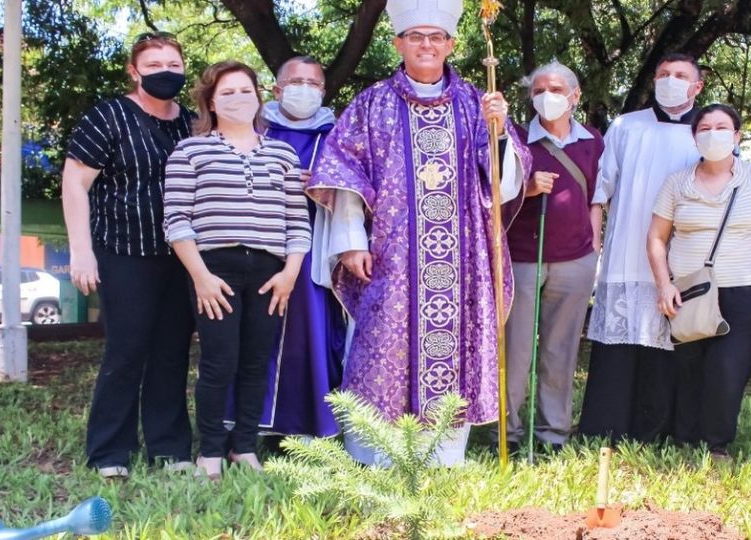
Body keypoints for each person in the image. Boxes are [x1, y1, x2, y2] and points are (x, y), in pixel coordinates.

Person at [306, 0, 532, 465]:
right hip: (391, 256)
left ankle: (443, 457)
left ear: (451, 44)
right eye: (416, 37)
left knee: (455, 352)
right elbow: (345, 171)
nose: (426, 45)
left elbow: (503, 185)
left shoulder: (476, 101)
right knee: (379, 345)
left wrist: (501, 133)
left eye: (436, 37)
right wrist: (350, 240)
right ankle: (375, 455)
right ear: (398, 43)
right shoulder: (371, 103)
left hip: (461, 260)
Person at [164, 60, 311, 479]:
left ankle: (243, 446)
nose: (238, 98)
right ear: (210, 100)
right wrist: (201, 277)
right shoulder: (190, 151)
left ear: (259, 96)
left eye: (245, 90)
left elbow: (297, 223)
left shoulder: (282, 153)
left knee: (256, 361)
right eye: (227, 92)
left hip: (271, 271)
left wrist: (290, 273)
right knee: (219, 361)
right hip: (214, 269)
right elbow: (176, 219)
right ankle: (210, 450)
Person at [62, 32, 195, 478]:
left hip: (181, 257)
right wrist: (81, 251)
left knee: (173, 351)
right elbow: (75, 183)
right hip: (123, 252)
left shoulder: (192, 122)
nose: (165, 72)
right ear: (134, 71)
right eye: (154, 64)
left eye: (173, 64)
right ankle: (109, 452)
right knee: (126, 349)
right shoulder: (109, 116)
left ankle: (170, 446)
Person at [578, 53, 705, 444]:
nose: (670, 80)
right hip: (625, 251)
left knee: (667, 345)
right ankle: (605, 427)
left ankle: (656, 430)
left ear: (697, 87)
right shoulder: (626, 126)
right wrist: (595, 239)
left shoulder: (705, 132)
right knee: (618, 345)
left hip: (681, 255)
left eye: (680, 75)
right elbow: (601, 187)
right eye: (664, 74)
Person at [647, 104, 751, 458]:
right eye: (704, 128)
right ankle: (684, 437)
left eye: (722, 127)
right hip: (688, 289)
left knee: (728, 368)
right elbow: (657, 238)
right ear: (694, 138)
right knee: (688, 366)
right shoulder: (677, 182)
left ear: (737, 136)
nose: (713, 134)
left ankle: (716, 443)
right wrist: (664, 284)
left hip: (746, 291)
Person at [235, 55, 347, 442]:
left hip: (315, 246)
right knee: (252, 331)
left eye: (313, 83)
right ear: (277, 89)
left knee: (309, 331)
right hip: (257, 245)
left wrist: (324, 186)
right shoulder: (252, 129)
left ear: (323, 91)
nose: (305, 90)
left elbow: (362, 190)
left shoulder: (339, 136)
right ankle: (246, 426)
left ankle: (305, 427)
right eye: (295, 82)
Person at [502, 61, 603, 453]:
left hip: (575, 259)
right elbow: (490, 193)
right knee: (516, 349)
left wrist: (593, 246)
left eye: (558, 90)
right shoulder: (512, 138)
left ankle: (553, 434)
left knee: (561, 351)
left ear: (575, 96)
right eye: (540, 90)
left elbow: (597, 195)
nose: (549, 96)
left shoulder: (594, 141)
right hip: (522, 257)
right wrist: (525, 189)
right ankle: (507, 433)